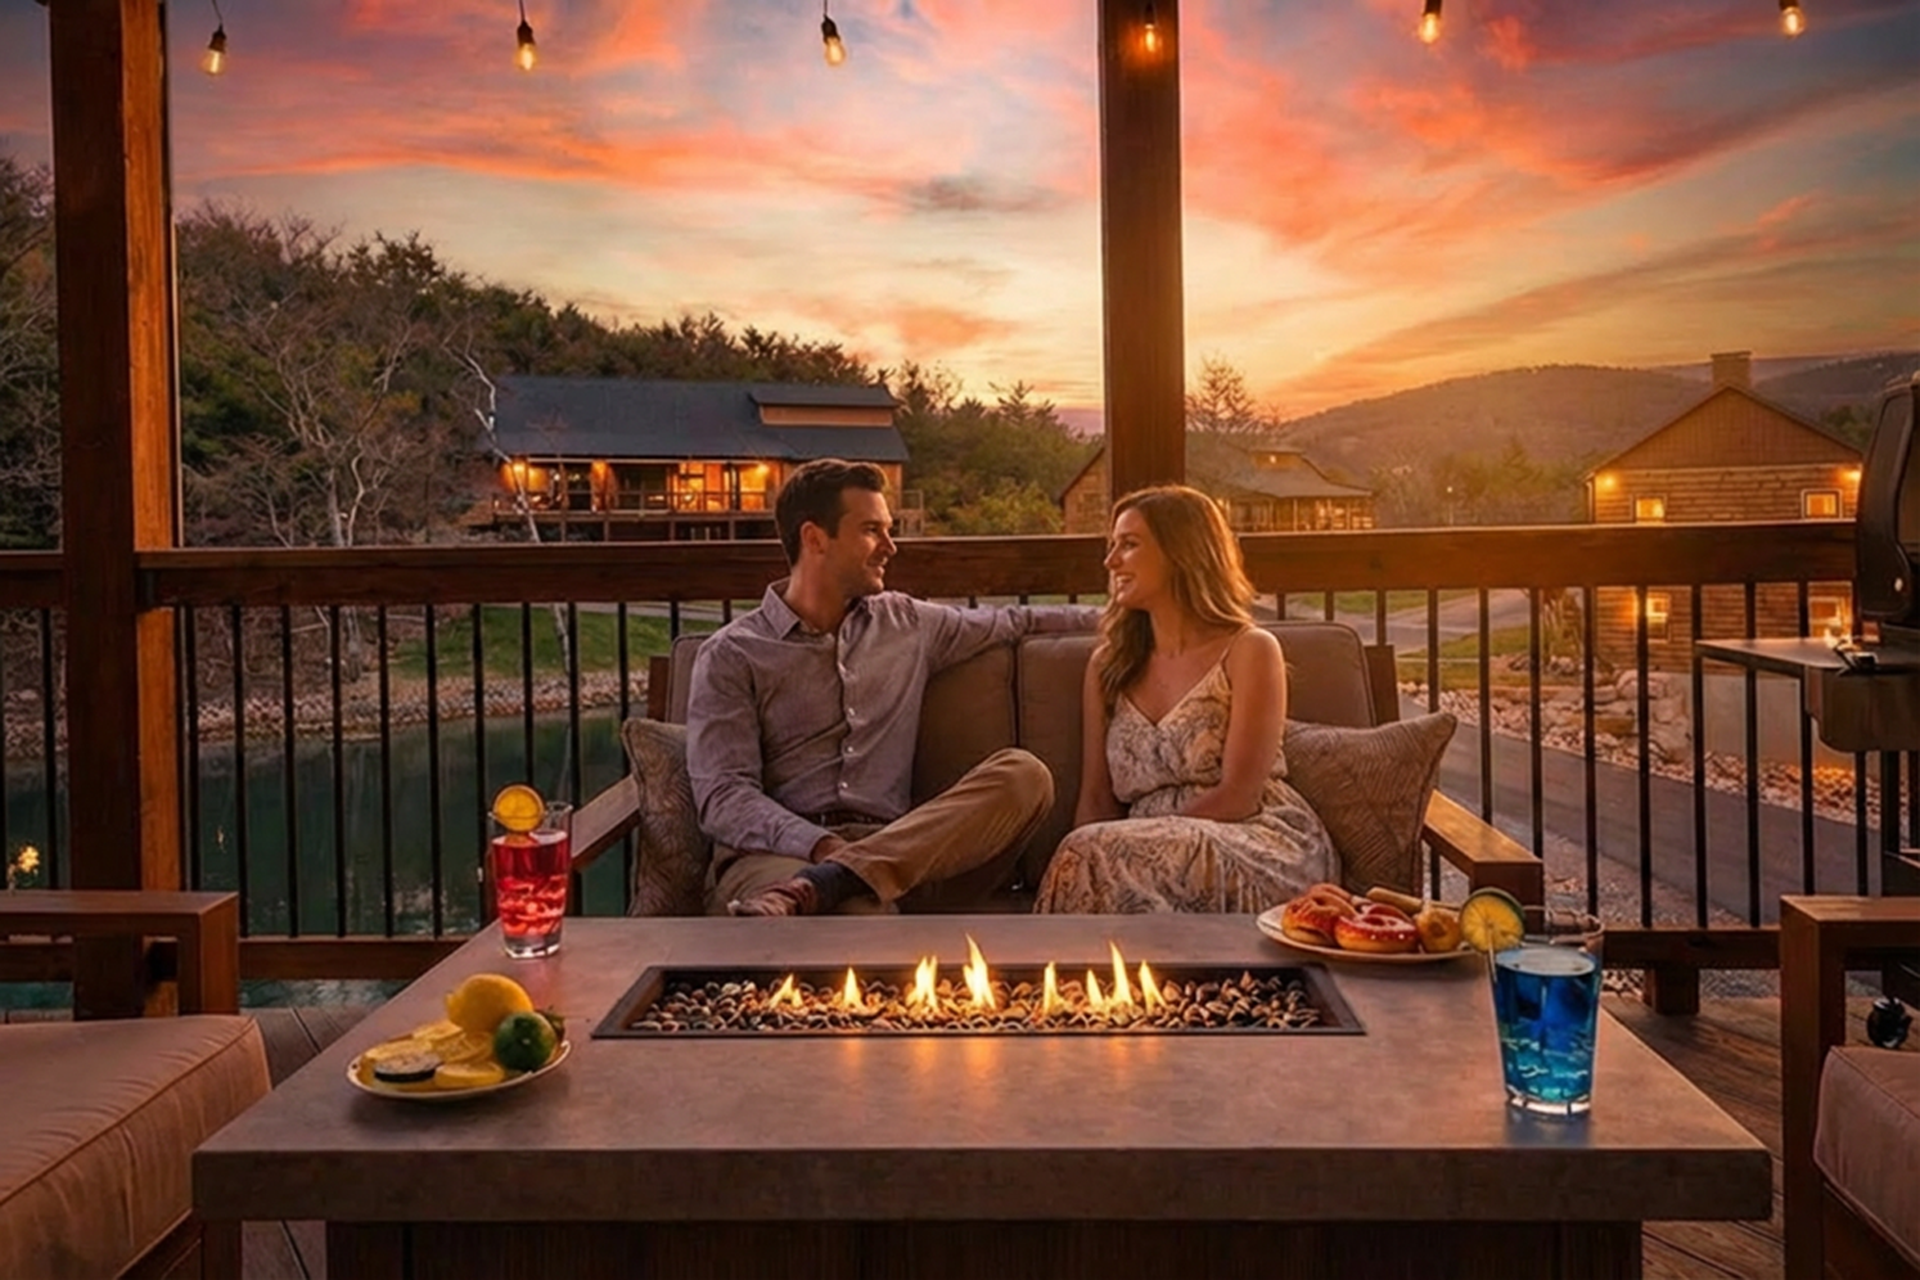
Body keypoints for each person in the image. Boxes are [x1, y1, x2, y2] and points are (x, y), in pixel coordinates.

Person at [686, 458, 1094, 917]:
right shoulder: (732, 654)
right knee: (855, 919)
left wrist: (1128, 617)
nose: (890, 547)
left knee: (1024, 775)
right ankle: (830, 885)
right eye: (871, 531)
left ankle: (834, 882)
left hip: (905, 855)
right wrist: (821, 845)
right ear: (815, 538)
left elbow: (1017, 621)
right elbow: (724, 798)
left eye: (888, 530)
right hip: (778, 858)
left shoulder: (909, 623)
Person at [1034, 485, 1335, 914]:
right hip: (1136, 853)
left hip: (1248, 837)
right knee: (1089, 851)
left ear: (1181, 553)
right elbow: (1096, 799)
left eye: (1129, 544)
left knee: (1094, 852)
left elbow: (1239, 796)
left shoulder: (1249, 649)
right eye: (1112, 546)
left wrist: (1121, 843)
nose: (1111, 561)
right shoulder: (1108, 666)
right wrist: (1096, 846)